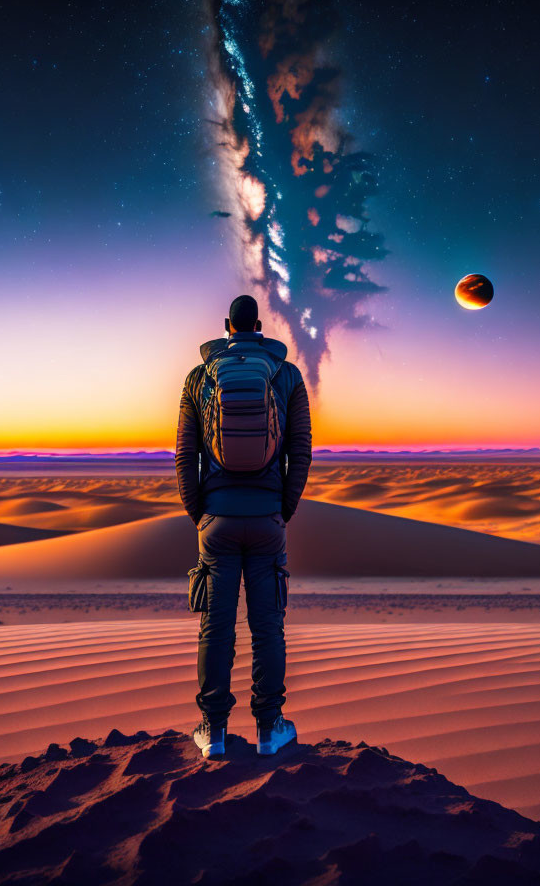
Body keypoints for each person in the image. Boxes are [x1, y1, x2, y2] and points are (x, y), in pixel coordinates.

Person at [176, 294, 312, 758]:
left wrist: (202, 514)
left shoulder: (199, 378)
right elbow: (301, 452)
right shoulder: (287, 375)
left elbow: (184, 457)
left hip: (216, 521)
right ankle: (270, 729)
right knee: (267, 627)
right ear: (259, 325)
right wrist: (282, 509)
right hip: (267, 519)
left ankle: (212, 733)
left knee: (216, 627)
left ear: (226, 326)